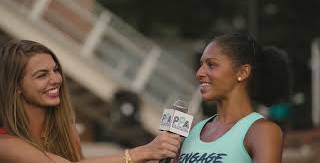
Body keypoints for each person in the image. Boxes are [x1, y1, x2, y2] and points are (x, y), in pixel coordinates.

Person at [0, 40, 181, 163]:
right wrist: (145, 152)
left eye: (56, 70)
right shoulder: (4, 142)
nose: (55, 79)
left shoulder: (66, 130)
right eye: (42, 75)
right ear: (15, 86)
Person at [177, 33, 291, 163]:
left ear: (242, 73)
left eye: (211, 64)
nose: (199, 73)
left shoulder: (262, 131)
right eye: (201, 65)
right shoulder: (192, 131)